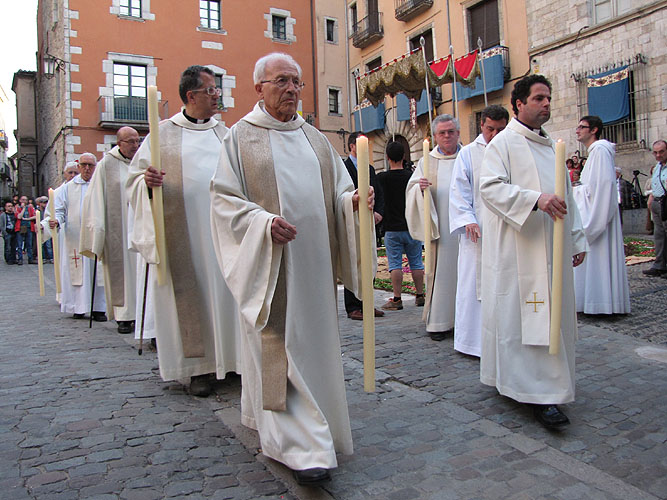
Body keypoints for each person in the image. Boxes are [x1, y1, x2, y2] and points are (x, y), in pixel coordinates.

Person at [210, 52, 372, 486]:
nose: (292, 89)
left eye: (296, 81)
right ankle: (299, 446)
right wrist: (262, 224)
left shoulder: (315, 139)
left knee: (311, 347)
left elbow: (339, 193)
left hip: (314, 269)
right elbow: (223, 201)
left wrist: (353, 203)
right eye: (281, 81)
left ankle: (315, 429)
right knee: (279, 348)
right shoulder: (240, 138)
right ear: (258, 87)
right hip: (270, 268)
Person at [479, 74, 588, 430]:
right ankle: (536, 393)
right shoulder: (503, 144)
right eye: (539, 98)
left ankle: (551, 385)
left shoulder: (552, 146)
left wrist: (576, 239)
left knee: (552, 317)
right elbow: (489, 188)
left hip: (553, 251)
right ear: (519, 104)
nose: (546, 104)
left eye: (549, 98)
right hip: (520, 252)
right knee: (524, 319)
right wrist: (534, 200)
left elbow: (567, 198)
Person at [126, 65, 241, 397]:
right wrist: (146, 183)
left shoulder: (225, 135)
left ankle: (232, 361)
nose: (217, 95)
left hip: (224, 234)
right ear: (191, 96)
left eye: (217, 89)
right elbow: (134, 182)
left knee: (227, 295)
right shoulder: (161, 135)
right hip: (184, 235)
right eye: (210, 90)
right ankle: (198, 369)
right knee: (194, 297)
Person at [449, 104, 509, 357]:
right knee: (473, 285)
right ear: (481, 125)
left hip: (506, 230)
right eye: (490, 129)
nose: (494, 135)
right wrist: (467, 219)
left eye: (500, 130)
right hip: (477, 232)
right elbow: (459, 190)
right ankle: (472, 342)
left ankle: (504, 340)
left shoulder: (511, 149)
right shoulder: (468, 154)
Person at [80, 127, 140, 334]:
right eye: (130, 142)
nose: (135, 145)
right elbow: (95, 198)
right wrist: (98, 231)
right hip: (118, 229)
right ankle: (124, 317)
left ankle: (144, 315)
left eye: (137, 141)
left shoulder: (143, 160)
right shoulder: (107, 165)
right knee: (122, 273)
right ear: (119, 143)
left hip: (140, 227)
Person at [406, 114, 460, 341]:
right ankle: (440, 322)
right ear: (435, 136)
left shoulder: (468, 157)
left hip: (467, 231)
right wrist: (420, 189)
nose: (447, 136)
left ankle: (465, 325)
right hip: (442, 231)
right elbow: (411, 189)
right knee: (442, 276)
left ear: (458, 133)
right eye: (442, 133)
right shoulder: (427, 161)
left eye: (451, 132)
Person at [572, 116, 630, 313]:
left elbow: (603, 187)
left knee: (598, 257)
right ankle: (593, 301)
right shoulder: (594, 153)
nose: (577, 130)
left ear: (594, 130)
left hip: (596, 213)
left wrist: (576, 192)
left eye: (582, 127)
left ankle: (600, 303)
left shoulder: (599, 151)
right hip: (592, 209)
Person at [50, 153, 107, 320]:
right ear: (79, 166)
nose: (87, 168)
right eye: (84, 165)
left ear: (95, 167)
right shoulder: (67, 188)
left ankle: (98, 308)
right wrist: (56, 221)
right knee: (78, 272)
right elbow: (59, 209)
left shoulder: (101, 184)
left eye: (91, 165)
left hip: (97, 235)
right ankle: (78, 306)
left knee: (97, 273)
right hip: (75, 237)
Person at [377, 141, 425, 310]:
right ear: (404, 157)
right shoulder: (410, 176)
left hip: (391, 227)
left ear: (387, 157)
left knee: (395, 264)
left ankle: (397, 299)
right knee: (416, 262)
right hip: (411, 225)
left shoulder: (382, 178)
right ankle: (420, 295)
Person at [342, 131, 384, 320]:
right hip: (352, 222)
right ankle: (353, 306)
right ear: (352, 146)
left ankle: (367, 303)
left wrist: (379, 212)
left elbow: (379, 193)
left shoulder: (369, 169)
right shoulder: (343, 169)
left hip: (369, 222)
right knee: (353, 261)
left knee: (369, 260)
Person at [41, 162, 80, 303]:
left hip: (81, 235)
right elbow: (50, 215)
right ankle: (65, 296)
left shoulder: (85, 190)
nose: (73, 175)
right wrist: (45, 225)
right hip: (64, 235)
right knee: (66, 266)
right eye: (70, 172)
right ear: (64, 174)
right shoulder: (57, 193)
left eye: (76, 173)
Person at [644, 139, 667, 277]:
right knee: (659, 235)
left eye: (661, 152)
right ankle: (660, 265)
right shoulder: (657, 167)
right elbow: (655, 184)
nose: (658, 155)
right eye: (655, 152)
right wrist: (651, 198)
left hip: (665, 201)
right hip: (657, 202)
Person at [15, 195, 36, 265]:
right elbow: (19, 216)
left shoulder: (30, 208)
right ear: (20, 200)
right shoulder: (17, 208)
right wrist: (23, 208)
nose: (24, 201)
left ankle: (30, 259)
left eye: (26, 200)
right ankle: (20, 259)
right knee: (19, 244)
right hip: (20, 227)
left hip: (29, 227)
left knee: (29, 244)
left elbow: (35, 216)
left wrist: (27, 219)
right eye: (23, 199)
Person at [35, 196, 53, 263]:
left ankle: (51, 257)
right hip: (40, 228)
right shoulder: (38, 211)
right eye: (43, 203)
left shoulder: (49, 210)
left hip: (47, 228)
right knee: (41, 244)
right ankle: (42, 257)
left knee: (48, 244)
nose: (45, 204)